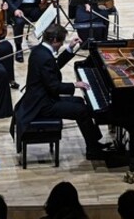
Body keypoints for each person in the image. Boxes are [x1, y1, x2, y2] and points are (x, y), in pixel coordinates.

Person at [12, 22, 112, 160]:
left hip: (41, 97)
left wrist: (70, 49)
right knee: (81, 111)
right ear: (53, 40)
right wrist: (75, 84)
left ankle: (93, 143)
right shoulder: (45, 57)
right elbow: (54, 87)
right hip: (42, 104)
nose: (61, 44)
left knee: (80, 101)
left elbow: (55, 66)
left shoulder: (39, 50)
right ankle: (93, 150)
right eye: (61, 42)